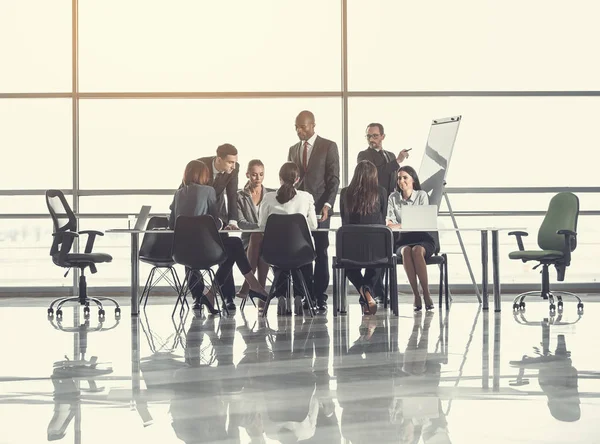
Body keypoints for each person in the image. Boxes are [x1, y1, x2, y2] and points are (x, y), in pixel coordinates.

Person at [169, 160, 269, 314]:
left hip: (182, 253)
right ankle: (251, 285)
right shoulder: (208, 191)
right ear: (202, 175)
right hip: (205, 251)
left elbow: (172, 224)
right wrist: (223, 224)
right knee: (234, 244)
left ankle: (212, 294)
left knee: (232, 247)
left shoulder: (178, 194)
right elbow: (215, 222)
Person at [288, 110, 340, 312]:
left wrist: (328, 204)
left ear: (313, 125)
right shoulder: (293, 149)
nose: (299, 130)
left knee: (321, 251)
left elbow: (333, 179)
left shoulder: (328, 146)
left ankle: (320, 296)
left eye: (302, 126)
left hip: (320, 210)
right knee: (302, 251)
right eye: (296, 127)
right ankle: (305, 294)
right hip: (298, 210)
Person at [256, 161, 318, 315]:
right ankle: (299, 296)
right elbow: (313, 226)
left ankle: (281, 296)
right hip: (300, 252)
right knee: (302, 257)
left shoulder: (268, 197)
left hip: (274, 252)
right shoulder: (306, 197)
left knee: (281, 257)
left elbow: (262, 225)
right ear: (297, 180)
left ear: (280, 178)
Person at [339, 160, 388, 315]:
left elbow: (343, 219)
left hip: (351, 249)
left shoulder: (345, 193)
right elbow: (383, 218)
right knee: (378, 263)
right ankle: (367, 290)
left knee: (348, 267)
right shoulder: (381, 192)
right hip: (376, 249)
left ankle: (363, 292)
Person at [196, 143, 240, 311]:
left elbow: (232, 195)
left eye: (235, 162)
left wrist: (233, 221)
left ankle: (228, 297)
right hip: (198, 218)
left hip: (219, 218)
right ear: (219, 159)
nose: (233, 166)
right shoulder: (199, 166)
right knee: (192, 255)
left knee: (225, 253)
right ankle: (198, 297)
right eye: (230, 162)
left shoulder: (234, 169)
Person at [386, 166, 436, 312]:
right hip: (403, 240)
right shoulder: (393, 198)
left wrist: (401, 224)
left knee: (417, 250)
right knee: (407, 251)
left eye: (405, 177)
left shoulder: (421, 195)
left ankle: (426, 293)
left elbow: (423, 222)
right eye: (399, 178)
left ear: (413, 180)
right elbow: (389, 223)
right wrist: (405, 225)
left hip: (423, 238)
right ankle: (416, 294)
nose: (401, 181)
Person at [236, 159, 273, 300]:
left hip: (268, 240)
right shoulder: (239, 196)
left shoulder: (271, 195)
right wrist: (260, 227)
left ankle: (248, 285)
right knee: (256, 237)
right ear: (247, 175)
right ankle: (260, 291)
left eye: (261, 174)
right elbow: (240, 223)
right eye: (254, 174)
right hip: (247, 242)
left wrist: (263, 229)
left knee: (262, 242)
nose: (258, 178)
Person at [357, 123, 411, 197]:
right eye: (368, 136)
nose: (371, 139)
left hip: (391, 201)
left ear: (383, 136)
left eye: (375, 136)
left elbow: (395, 179)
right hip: (373, 200)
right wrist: (397, 161)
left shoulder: (391, 155)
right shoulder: (363, 155)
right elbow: (373, 174)